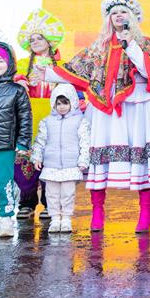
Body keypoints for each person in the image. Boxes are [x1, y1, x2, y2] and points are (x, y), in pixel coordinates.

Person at [35, 0, 150, 233]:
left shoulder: (144, 42)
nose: (118, 15)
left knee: (140, 157)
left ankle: (145, 213)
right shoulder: (99, 47)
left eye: (123, 12)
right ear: (108, 18)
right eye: (113, 12)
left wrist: (130, 44)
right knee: (99, 159)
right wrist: (45, 72)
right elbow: (74, 70)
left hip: (137, 104)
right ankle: (97, 212)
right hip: (104, 106)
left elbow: (148, 69)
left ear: (133, 17)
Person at [13, 8, 67, 221]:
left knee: (50, 160)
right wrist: (19, 81)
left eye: (39, 38)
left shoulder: (61, 65)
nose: (35, 42)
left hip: (54, 118)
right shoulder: (21, 65)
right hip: (29, 117)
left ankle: (48, 203)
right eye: (32, 39)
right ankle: (26, 203)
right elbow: (13, 82)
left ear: (50, 41)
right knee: (25, 161)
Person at [0, 42, 32, 238]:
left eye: (0, 60)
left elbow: (25, 118)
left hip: (5, 144)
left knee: (3, 181)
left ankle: (6, 219)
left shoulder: (16, 90)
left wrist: (23, 143)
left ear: (9, 62)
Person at [30, 84, 91, 234]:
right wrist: (37, 157)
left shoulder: (80, 121)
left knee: (67, 194)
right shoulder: (47, 122)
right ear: (53, 104)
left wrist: (83, 160)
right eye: (58, 103)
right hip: (51, 166)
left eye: (65, 103)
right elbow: (40, 141)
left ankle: (66, 219)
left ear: (72, 102)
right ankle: (55, 219)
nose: (62, 107)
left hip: (71, 165)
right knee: (52, 194)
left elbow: (85, 142)